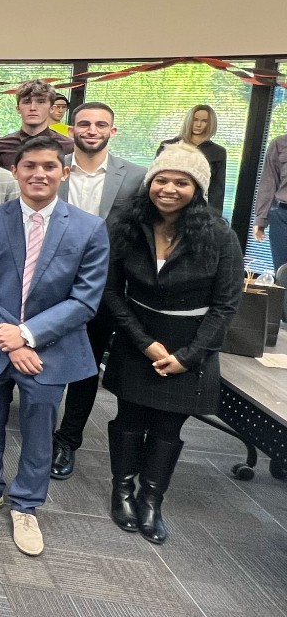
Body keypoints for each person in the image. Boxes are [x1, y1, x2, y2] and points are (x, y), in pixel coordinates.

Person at [0, 135, 109, 557]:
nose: (39, 174)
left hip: (48, 349)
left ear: (65, 172)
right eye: (30, 167)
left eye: (49, 167)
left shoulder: (89, 228)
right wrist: (9, 335)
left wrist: (27, 336)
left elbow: (85, 299)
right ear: (15, 172)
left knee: (40, 431)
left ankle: (26, 504)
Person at [102, 145, 242, 545]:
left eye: (181, 182)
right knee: (128, 419)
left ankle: (151, 499)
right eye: (161, 180)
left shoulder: (220, 234)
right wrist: (145, 344)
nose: (168, 188)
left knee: (167, 426)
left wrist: (189, 357)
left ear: (196, 188)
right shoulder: (129, 226)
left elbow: (226, 305)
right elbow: (112, 292)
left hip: (191, 344)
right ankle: (123, 489)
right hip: (137, 336)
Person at [50, 102, 146, 480]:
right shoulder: (52, 167)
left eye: (100, 124)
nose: (92, 130)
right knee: (43, 360)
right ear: (71, 130)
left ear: (113, 131)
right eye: (84, 124)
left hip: (102, 289)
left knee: (86, 367)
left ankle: (67, 440)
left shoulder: (136, 176)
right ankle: (40, 431)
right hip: (49, 283)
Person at [157, 105, 226, 213]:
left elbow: (217, 191)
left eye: (204, 121)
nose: (198, 124)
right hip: (167, 202)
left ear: (210, 123)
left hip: (198, 209)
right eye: (195, 120)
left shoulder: (218, 152)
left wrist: (214, 218)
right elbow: (155, 179)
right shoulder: (168, 146)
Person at [0, 80, 72, 169]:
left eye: (40, 102)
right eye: (27, 102)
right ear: (18, 108)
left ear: (52, 108)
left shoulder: (69, 147)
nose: (33, 108)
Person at [253, 131, 287, 269]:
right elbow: (269, 182)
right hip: (283, 218)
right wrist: (261, 218)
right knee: (283, 274)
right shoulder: (279, 144)